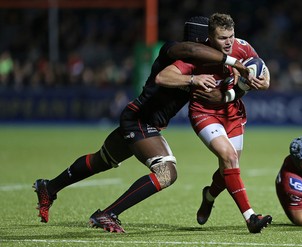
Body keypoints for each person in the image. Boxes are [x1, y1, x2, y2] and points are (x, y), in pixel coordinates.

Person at [33, 16, 250, 233]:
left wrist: (242, 85)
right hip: (141, 120)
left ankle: (49, 187)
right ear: (203, 39)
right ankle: (108, 214)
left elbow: (219, 94)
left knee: (102, 160)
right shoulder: (173, 50)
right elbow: (172, 70)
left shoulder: (204, 66)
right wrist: (225, 64)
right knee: (167, 172)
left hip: (139, 119)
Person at [156, 13, 271, 233]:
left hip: (232, 113)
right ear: (210, 36)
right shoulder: (198, 54)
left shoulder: (242, 47)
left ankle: (208, 196)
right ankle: (251, 218)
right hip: (204, 113)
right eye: (222, 38)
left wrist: (260, 82)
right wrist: (192, 79)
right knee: (228, 157)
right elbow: (163, 77)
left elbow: (264, 75)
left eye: (231, 36)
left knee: (230, 165)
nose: (228, 42)